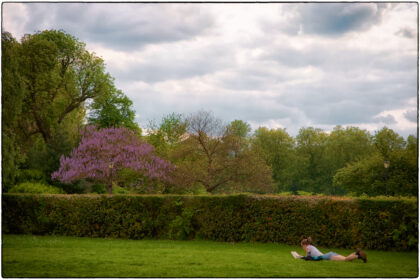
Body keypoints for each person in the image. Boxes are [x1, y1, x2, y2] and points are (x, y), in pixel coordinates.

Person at [291, 237, 367, 262]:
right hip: (329, 253)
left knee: (345, 259)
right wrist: (301, 256)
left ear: (304, 245)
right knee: (345, 258)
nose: (302, 247)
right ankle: (356, 253)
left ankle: (358, 256)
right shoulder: (311, 246)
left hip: (326, 256)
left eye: (302, 246)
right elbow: (310, 255)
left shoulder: (308, 248)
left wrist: (300, 257)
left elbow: (308, 256)